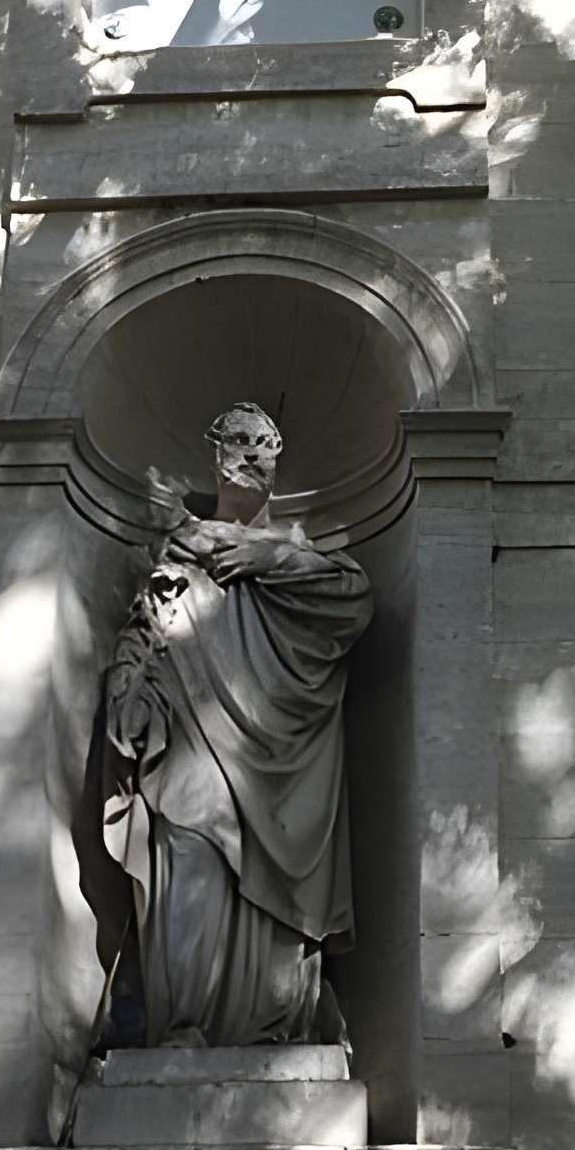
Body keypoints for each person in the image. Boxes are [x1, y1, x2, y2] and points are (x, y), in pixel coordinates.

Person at [96, 402, 372, 1047]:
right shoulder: (182, 546)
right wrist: (125, 693)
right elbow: (143, 630)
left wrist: (267, 560)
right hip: (191, 732)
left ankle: (270, 1031)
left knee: (277, 889)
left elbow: (353, 602)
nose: (252, 452)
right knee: (190, 859)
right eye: (239, 439)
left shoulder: (301, 551)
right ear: (213, 450)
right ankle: (182, 1024)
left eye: (266, 442)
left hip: (287, 752)